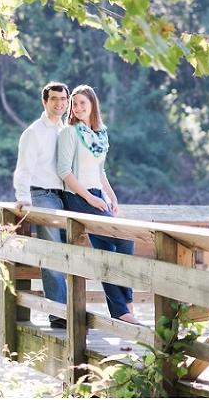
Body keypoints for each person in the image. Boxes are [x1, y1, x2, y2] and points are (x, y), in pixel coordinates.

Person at [56, 84, 141, 325]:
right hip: (77, 197)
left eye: (83, 103)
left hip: (97, 196)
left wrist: (110, 196)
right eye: (75, 103)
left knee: (106, 254)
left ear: (93, 105)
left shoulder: (99, 135)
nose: (78, 107)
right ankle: (127, 304)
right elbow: (64, 171)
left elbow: (100, 171)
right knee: (125, 239)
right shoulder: (69, 133)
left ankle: (121, 312)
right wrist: (90, 198)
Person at [13, 82, 70, 329]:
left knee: (71, 254)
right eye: (54, 99)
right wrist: (23, 197)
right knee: (53, 253)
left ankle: (69, 310)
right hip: (42, 195)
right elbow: (23, 170)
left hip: (66, 197)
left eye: (63, 99)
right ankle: (59, 315)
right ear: (44, 102)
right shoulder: (34, 132)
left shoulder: (67, 131)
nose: (59, 104)